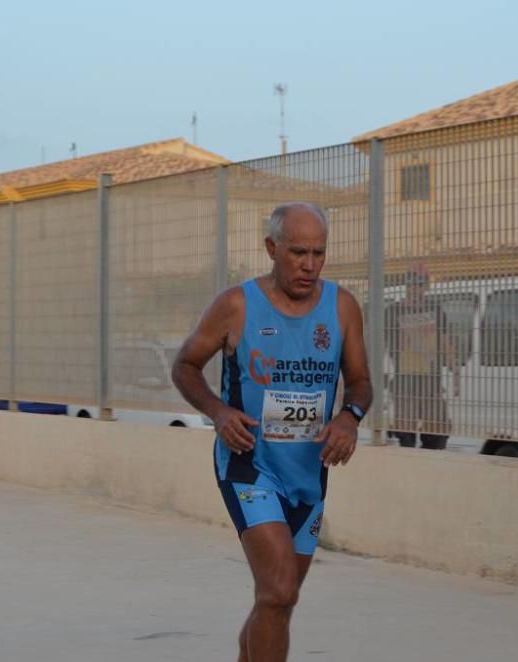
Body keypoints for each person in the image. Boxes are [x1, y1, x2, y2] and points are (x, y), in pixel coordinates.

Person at [172, 202, 372, 662]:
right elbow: (185, 365)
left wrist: (350, 416)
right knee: (279, 590)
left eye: (319, 253)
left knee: (277, 601)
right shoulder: (236, 305)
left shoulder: (341, 307)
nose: (309, 264)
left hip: (309, 472)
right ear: (271, 248)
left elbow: (360, 381)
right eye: (298, 252)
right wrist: (218, 412)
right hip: (250, 465)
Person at [386, 262, 453, 450]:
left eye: (419, 284)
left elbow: (445, 342)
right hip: (404, 382)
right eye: (411, 284)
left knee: (437, 434)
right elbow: (380, 345)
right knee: (405, 435)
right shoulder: (393, 311)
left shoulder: (435, 310)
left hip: (431, 381)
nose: (414, 288)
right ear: (406, 285)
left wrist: (455, 372)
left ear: (425, 287)